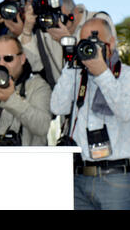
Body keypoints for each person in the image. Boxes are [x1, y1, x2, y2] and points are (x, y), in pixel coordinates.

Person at [51, 18, 130, 210]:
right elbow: (57, 107)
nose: (88, 48)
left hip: (115, 179)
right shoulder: (78, 75)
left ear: (110, 43)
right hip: (79, 178)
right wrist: (71, 66)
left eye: (93, 42)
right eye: (83, 43)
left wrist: (102, 73)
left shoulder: (126, 75)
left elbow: (126, 111)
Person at [20, 0, 117, 88]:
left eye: (61, 17)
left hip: (97, 93)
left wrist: (68, 41)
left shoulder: (98, 20)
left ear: (74, 12)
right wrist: (27, 29)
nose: (57, 23)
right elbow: (34, 63)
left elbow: (101, 61)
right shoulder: (47, 30)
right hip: (64, 97)